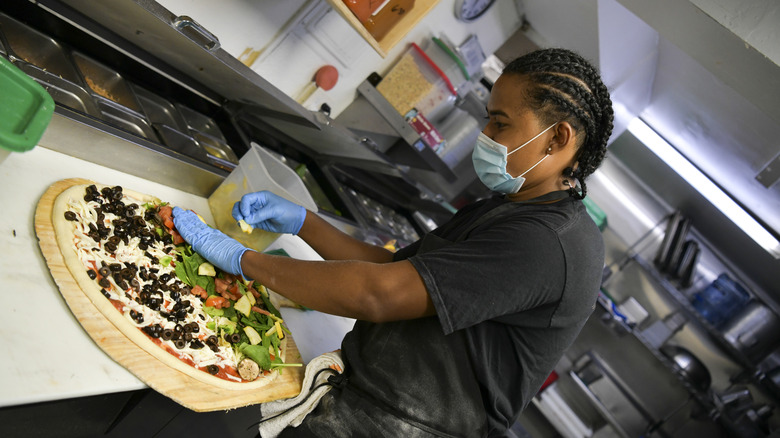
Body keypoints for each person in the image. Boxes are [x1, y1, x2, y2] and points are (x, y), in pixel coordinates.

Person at [173, 47, 614, 437]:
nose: (487, 136)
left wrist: (242, 259)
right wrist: (302, 220)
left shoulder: (548, 242)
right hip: (363, 406)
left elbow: (378, 293)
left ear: (557, 137)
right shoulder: (509, 207)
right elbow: (394, 270)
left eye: (500, 124)